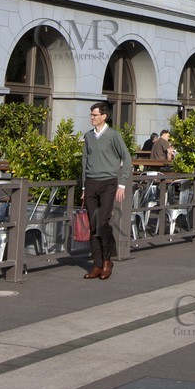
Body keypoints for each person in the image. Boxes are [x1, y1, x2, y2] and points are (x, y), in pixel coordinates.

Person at [80, 101, 132, 281]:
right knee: (93, 225)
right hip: (92, 183)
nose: (92, 118)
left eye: (95, 115)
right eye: (91, 115)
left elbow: (126, 158)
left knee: (103, 222)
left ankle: (107, 260)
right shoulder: (88, 136)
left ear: (104, 116)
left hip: (109, 182)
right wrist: (84, 186)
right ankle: (96, 263)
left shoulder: (113, 135)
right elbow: (85, 161)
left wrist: (122, 184)